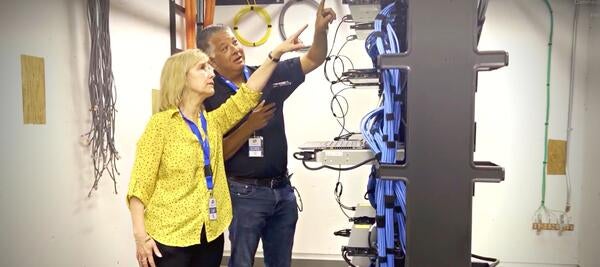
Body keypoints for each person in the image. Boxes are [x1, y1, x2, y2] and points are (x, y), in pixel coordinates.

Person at [126, 27, 307, 267]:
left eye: (209, 67)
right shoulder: (160, 126)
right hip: (170, 237)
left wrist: (275, 54)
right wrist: (141, 237)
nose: (211, 73)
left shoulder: (211, 122)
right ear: (182, 78)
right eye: (202, 68)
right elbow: (139, 187)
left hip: (208, 233)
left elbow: (248, 94)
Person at [197, 1, 336, 266]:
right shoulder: (209, 94)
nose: (236, 50)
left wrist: (321, 30)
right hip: (243, 194)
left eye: (235, 43)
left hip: (282, 191)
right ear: (211, 61)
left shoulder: (268, 74)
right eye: (225, 48)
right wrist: (249, 126)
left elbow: (314, 58)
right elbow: (215, 153)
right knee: (241, 261)